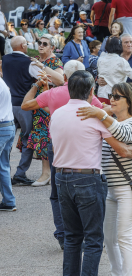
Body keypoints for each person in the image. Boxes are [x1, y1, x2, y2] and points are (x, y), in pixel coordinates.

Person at [50, 70, 132, 275]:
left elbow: (56, 148)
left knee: (72, 237)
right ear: (92, 91)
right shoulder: (93, 114)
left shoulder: (57, 114)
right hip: (87, 178)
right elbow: (122, 150)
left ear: (69, 89)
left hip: (61, 177)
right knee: (93, 239)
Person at [21, 60, 104, 250]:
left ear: (65, 77)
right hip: (84, 143)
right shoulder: (88, 95)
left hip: (57, 143)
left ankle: (63, 234)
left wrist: (37, 86)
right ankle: (83, 234)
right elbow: (101, 111)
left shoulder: (53, 93)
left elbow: (26, 105)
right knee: (85, 190)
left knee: (58, 194)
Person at [74, 81, 132, 276]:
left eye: (117, 97)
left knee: (125, 237)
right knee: (109, 238)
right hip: (111, 189)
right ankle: (118, 273)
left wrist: (102, 114)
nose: (112, 99)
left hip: (131, 188)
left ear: (129, 101)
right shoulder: (109, 123)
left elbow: (121, 133)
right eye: (111, 96)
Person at [19, 34, 64, 187]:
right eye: (39, 43)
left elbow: (60, 80)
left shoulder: (54, 61)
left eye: (45, 44)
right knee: (40, 136)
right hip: (37, 102)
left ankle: (47, 173)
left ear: (52, 47)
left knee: (46, 136)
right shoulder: (37, 59)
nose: (41, 45)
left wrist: (42, 67)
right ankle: (48, 172)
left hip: (48, 103)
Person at [2, 36, 43, 185]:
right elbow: (44, 78)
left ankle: (4, 172)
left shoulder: (5, 59)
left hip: (7, 104)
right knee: (27, 138)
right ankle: (20, 173)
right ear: (22, 46)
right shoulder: (29, 62)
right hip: (23, 105)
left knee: (5, 137)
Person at [97, 37, 132, 104]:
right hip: (115, 97)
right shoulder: (121, 61)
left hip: (102, 95)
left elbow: (100, 75)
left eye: (131, 42)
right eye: (125, 43)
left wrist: (99, 80)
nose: (129, 45)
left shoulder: (101, 59)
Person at [0, 77, 16, 212]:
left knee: (3, 166)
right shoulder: (1, 81)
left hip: (2, 127)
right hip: (8, 125)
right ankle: (9, 201)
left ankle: (9, 201)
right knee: (3, 166)